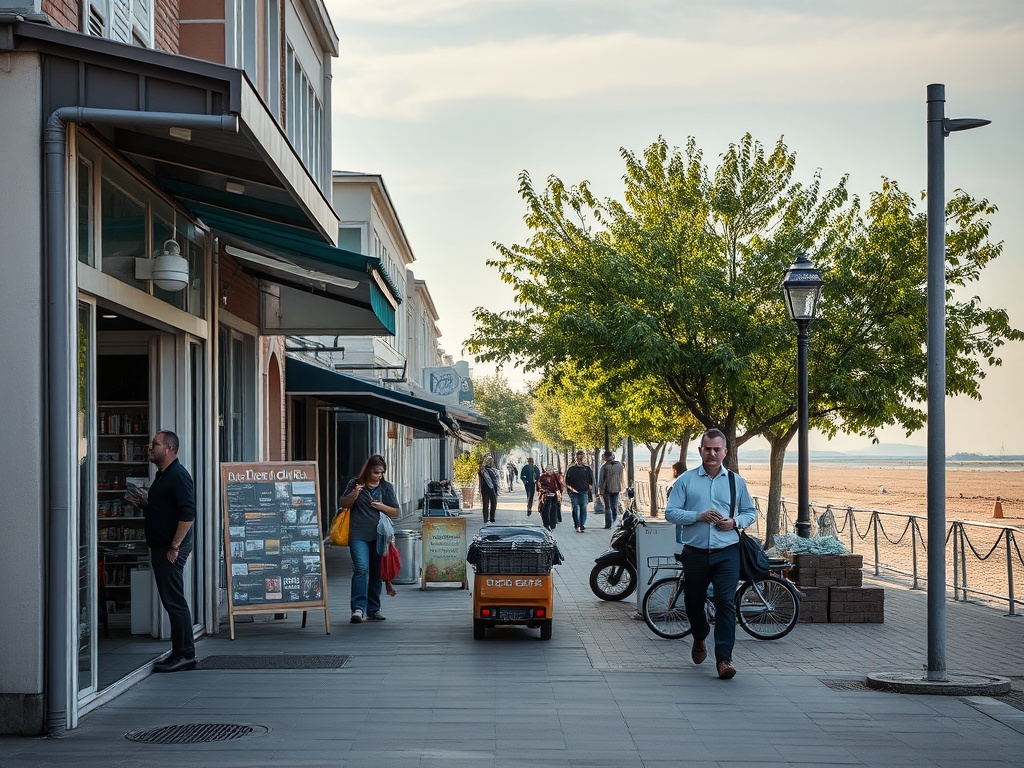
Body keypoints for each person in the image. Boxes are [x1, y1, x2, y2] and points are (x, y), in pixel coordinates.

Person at [664, 429, 757, 680]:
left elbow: (750, 512)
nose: (712, 454)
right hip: (694, 553)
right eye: (708, 449)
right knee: (693, 603)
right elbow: (670, 512)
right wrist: (698, 516)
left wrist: (735, 522)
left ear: (725, 452)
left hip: (727, 552)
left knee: (726, 603)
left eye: (717, 449)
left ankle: (724, 660)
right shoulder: (686, 480)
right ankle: (699, 635)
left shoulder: (736, 482)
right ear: (700, 451)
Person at [138, 430, 197, 673]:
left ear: (169, 448)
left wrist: (175, 547)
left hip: (170, 549)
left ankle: (186, 654)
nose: (150, 447)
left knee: (174, 602)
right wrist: (145, 504)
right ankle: (178, 651)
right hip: (162, 546)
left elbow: (188, 514)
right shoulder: (163, 476)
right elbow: (167, 509)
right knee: (171, 601)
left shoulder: (178, 476)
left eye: (155, 444)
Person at [338, 455, 400, 623]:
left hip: (380, 535)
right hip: (358, 534)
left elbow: (395, 511)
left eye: (382, 472)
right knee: (361, 569)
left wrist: (381, 506)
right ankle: (358, 609)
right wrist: (355, 493)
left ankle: (373, 609)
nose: (379, 476)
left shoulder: (386, 487)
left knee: (376, 572)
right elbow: (344, 503)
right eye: (375, 472)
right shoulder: (355, 484)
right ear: (367, 471)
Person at [564, 450, 595, 533]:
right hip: (573, 492)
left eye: (581, 457)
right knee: (575, 508)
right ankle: (577, 524)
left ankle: (581, 524)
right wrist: (571, 490)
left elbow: (591, 481)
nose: (580, 460)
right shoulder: (571, 469)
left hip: (584, 491)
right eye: (578, 458)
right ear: (576, 458)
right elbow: (567, 481)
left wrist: (590, 489)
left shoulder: (587, 469)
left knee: (583, 508)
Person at [599, 450, 625, 529]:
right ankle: (612, 521)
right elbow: (622, 478)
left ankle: (609, 523)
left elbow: (601, 479)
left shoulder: (604, 467)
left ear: (605, 457)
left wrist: (600, 489)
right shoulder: (619, 465)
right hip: (616, 489)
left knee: (608, 507)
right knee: (614, 507)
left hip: (606, 489)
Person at [537, 465, 564, 531]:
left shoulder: (555, 476)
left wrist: (559, 493)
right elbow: (539, 486)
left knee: (553, 510)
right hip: (545, 495)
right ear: (546, 470)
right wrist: (543, 491)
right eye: (548, 470)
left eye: (551, 470)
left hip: (553, 495)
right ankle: (546, 524)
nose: (550, 471)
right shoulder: (543, 477)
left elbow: (559, 485)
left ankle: (552, 524)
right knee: (545, 510)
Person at [478, 455, 501, 524]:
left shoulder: (494, 470)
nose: (490, 462)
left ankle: (492, 518)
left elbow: (496, 480)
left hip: (493, 489)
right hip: (485, 488)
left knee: (493, 503)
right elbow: (480, 476)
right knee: (486, 504)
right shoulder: (483, 470)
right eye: (489, 461)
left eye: (491, 461)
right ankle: (485, 519)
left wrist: (497, 488)